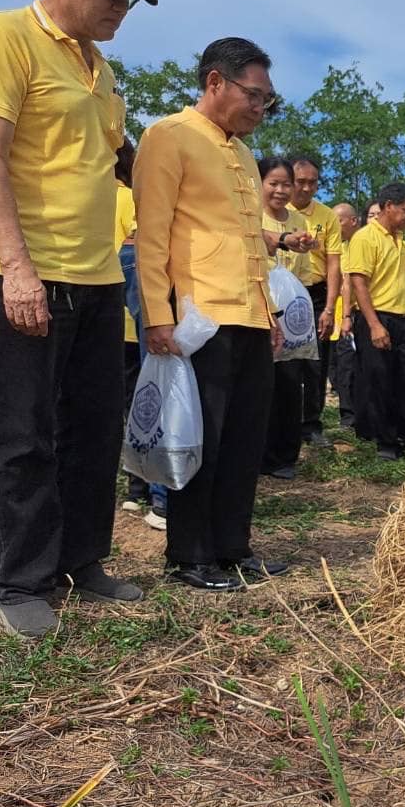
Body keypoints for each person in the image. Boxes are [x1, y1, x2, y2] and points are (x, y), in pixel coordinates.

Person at [0, 0, 155, 637]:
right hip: (26, 271)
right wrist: (16, 268)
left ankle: (82, 559)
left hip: (98, 275)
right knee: (21, 433)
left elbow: (118, 160)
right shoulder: (4, 36)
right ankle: (17, 581)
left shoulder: (99, 71)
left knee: (93, 427)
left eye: (130, 1)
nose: (120, 9)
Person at [134, 37, 287, 593]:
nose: (260, 107)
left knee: (246, 438)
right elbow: (150, 235)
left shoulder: (243, 154)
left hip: (248, 315)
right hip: (199, 317)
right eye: (254, 94)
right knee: (204, 437)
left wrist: (269, 312)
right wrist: (156, 313)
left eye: (267, 98)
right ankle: (189, 555)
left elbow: (248, 241)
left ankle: (232, 547)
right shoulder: (169, 137)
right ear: (215, 82)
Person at [349, 181, 405, 461]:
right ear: (388, 206)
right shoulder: (365, 238)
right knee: (379, 380)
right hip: (377, 316)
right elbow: (359, 283)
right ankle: (387, 441)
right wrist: (373, 324)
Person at [114, 139, 168, 529]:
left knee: (132, 403)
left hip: (115, 328)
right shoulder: (130, 201)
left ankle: (136, 488)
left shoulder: (102, 199)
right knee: (157, 397)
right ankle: (159, 496)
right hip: (146, 327)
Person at [259, 158, 307, 480]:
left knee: (291, 384)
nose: (280, 190)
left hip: (291, 314)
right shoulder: (252, 214)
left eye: (285, 184)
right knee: (260, 385)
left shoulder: (300, 220)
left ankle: (284, 456)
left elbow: (302, 270)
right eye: (273, 183)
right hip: (259, 308)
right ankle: (257, 454)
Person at [288, 157, 341, 447]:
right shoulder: (275, 211)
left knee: (316, 361)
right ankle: (284, 421)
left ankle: (311, 423)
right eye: (301, 182)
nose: (307, 188)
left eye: (313, 182)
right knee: (285, 361)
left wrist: (330, 308)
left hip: (316, 293)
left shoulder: (327, 216)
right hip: (285, 292)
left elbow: (334, 264)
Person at [330, 202, 362, 429]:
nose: (335, 225)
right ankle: (347, 416)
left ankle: (356, 416)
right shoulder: (336, 248)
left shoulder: (363, 245)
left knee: (353, 368)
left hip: (356, 315)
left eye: (338, 220)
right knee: (338, 370)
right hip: (335, 317)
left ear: (353, 220)